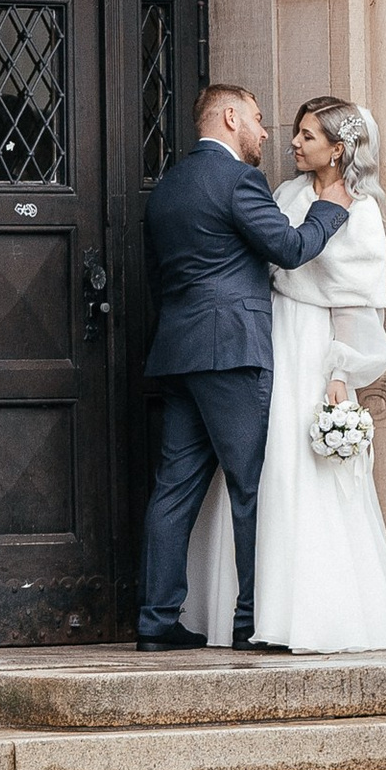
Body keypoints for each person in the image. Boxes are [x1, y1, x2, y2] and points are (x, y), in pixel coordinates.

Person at [185, 98, 386, 654]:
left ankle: (309, 611)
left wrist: (341, 372)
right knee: (260, 460)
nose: (294, 143)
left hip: (315, 347)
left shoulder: (362, 210)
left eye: (308, 136)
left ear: (338, 148)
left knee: (303, 467)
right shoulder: (285, 194)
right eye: (296, 133)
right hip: (271, 334)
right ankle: (251, 608)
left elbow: (357, 299)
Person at [133, 82, 335, 651]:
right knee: (250, 486)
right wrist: (330, 211)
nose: (266, 133)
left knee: (173, 490)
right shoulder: (238, 180)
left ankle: (156, 621)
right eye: (258, 118)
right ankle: (251, 621)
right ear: (229, 117)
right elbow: (289, 248)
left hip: (179, 352)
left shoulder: (168, 186)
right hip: (232, 353)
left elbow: (159, 279)